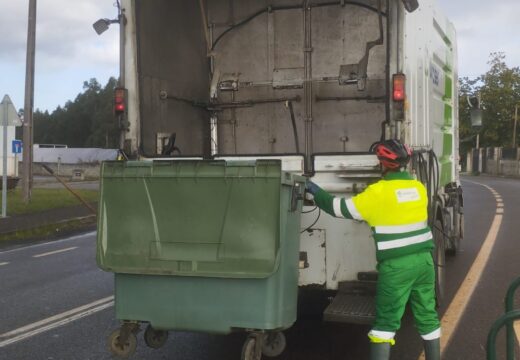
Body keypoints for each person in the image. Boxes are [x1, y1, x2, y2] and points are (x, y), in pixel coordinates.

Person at [306, 139, 441, 360]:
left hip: (397, 268)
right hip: (425, 263)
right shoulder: (418, 188)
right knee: (427, 317)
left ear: (383, 164)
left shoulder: (377, 193)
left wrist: (314, 189)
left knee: (385, 325)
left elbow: (339, 208)